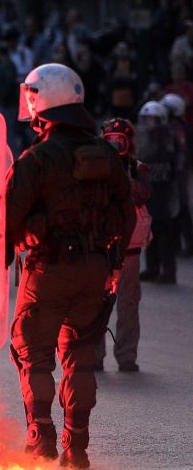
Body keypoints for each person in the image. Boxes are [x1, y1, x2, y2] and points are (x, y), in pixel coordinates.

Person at [7, 63, 135, 470]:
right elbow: (127, 214)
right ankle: (76, 446)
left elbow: (6, 219)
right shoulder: (106, 155)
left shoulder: (37, 159)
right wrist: (112, 263)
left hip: (49, 271)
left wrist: (11, 250)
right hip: (96, 269)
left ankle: (40, 438)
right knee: (80, 354)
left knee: (35, 353)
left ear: (40, 100)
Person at [98, 118, 151, 373]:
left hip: (129, 246)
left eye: (120, 141)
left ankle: (127, 355)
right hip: (101, 244)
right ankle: (94, 354)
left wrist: (124, 176)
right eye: (109, 142)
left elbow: (143, 194)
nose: (114, 147)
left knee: (129, 302)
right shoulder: (95, 168)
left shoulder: (138, 169)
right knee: (97, 301)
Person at [137, 101, 182, 284]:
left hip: (164, 192)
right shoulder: (148, 139)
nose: (148, 123)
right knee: (151, 231)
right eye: (146, 119)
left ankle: (168, 271)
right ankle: (153, 268)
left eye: (152, 120)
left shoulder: (168, 140)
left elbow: (171, 167)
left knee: (164, 233)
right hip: (152, 191)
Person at [159, 93, 193, 257]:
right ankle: (177, 243)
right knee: (174, 206)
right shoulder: (172, 126)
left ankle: (188, 243)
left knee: (180, 206)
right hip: (175, 170)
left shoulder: (177, 128)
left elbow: (181, 153)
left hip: (178, 172)